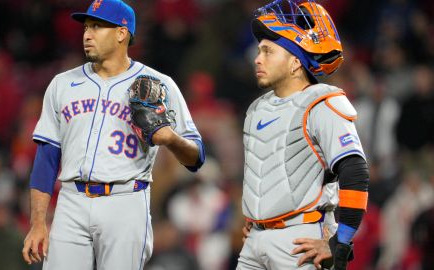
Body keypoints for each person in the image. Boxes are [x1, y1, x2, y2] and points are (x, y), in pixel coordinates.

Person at [21, 0, 205, 269]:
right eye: (86, 27)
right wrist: (38, 222)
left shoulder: (159, 84)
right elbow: (47, 157)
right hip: (71, 201)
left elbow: (197, 157)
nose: (87, 34)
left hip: (125, 201)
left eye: (97, 26)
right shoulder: (62, 84)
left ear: (122, 33)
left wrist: (171, 139)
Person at [237, 0, 369, 269]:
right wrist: (258, 215)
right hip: (254, 241)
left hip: (302, 240)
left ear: (295, 62)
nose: (257, 58)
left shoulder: (322, 102)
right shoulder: (256, 109)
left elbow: (355, 170)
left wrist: (340, 241)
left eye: (267, 51)